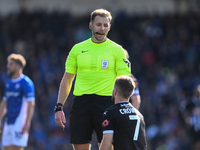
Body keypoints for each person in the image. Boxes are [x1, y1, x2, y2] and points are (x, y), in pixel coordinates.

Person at [54, 8, 131, 150]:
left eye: (105, 25)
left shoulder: (117, 50)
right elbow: (67, 79)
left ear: (109, 27)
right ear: (91, 25)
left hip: (107, 104)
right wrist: (59, 107)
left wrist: (123, 108)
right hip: (81, 104)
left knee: (108, 147)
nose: (101, 28)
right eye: (98, 25)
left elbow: (124, 81)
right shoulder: (77, 49)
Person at [100, 75, 147, 150]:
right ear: (131, 94)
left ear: (115, 91)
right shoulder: (139, 115)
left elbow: (107, 144)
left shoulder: (110, 113)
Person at [0, 53, 35, 150]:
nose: (8, 66)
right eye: (8, 64)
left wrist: (27, 122)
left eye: (11, 64)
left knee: (16, 148)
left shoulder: (26, 83)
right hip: (8, 122)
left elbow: (31, 104)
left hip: (20, 122)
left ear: (18, 66)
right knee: (6, 147)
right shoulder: (8, 83)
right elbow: (4, 103)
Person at [179, 84, 200, 150]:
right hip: (195, 128)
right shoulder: (190, 102)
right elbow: (181, 109)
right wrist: (186, 118)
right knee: (196, 144)